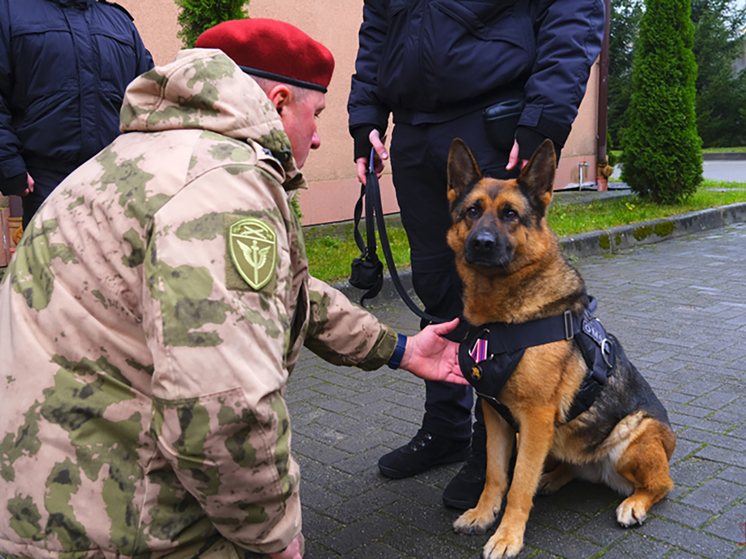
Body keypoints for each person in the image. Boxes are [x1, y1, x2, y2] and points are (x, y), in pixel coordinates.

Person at [0, 18, 467, 559]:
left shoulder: (135, 161)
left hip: (46, 489)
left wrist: (401, 348)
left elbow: (284, 292)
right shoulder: (224, 190)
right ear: (279, 99)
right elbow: (221, 406)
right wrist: (271, 536)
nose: (317, 137)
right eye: (315, 116)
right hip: (123, 523)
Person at [347, 0, 606, 510]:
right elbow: (378, 26)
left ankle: (493, 446)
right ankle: (445, 426)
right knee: (437, 283)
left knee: (503, 295)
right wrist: (366, 115)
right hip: (414, 134)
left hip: (495, 119)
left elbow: (574, 13)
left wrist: (544, 117)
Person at [0, 0, 154, 228]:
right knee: (52, 262)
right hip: (48, 182)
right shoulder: (11, 12)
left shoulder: (119, 21)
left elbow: (150, 98)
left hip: (118, 182)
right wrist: (8, 164)